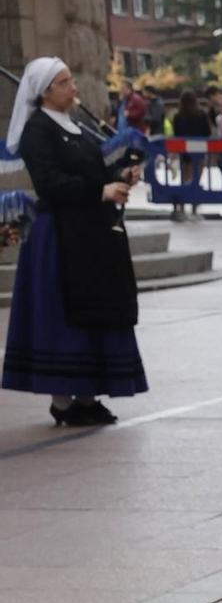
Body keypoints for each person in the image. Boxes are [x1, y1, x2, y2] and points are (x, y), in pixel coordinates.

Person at [2, 57, 149, 424]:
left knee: (91, 313)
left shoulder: (77, 127)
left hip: (90, 234)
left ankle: (86, 396)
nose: (75, 87)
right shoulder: (38, 130)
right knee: (63, 317)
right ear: (46, 91)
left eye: (71, 80)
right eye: (66, 82)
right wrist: (101, 190)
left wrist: (121, 175)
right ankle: (63, 401)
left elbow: (94, 171)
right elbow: (50, 182)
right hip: (59, 236)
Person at [168, 89, 211, 220]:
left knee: (185, 178)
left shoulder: (178, 116)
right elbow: (207, 132)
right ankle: (194, 204)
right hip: (199, 149)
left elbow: (176, 134)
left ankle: (182, 204)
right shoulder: (201, 114)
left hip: (184, 150)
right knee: (197, 178)